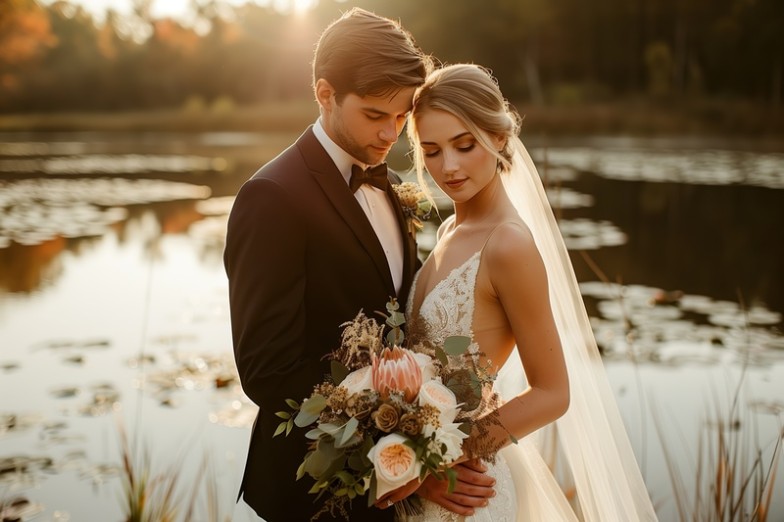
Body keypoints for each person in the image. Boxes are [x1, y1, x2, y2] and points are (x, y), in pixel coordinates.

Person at [224, 9, 494, 521]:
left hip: (398, 495)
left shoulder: (384, 179)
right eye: (375, 115)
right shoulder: (272, 198)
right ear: (325, 94)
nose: (391, 133)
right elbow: (268, 374)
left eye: (401, 116)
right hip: (312, 492)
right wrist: (405, 456)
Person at [377, 63, 659, 521]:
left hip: (466, 490)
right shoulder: (451, 227)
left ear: (499, 137)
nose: (448, 166)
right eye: (430, 150)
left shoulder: (508, 244)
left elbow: (552, 392)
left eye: (464, 145)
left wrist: (435, 460)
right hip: (427, 484)